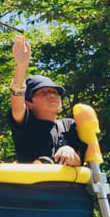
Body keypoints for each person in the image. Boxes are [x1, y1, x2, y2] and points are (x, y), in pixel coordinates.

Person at [8, 35, 86, 166]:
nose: (52, 95)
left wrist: (70, 151)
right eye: (43, 92)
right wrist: (21, 66)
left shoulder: (70, 125)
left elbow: (82, 160)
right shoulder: (26, 124)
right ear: (29, 103)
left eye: (54, 92)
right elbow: (17, 103)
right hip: (31, 180)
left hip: (67, 180)